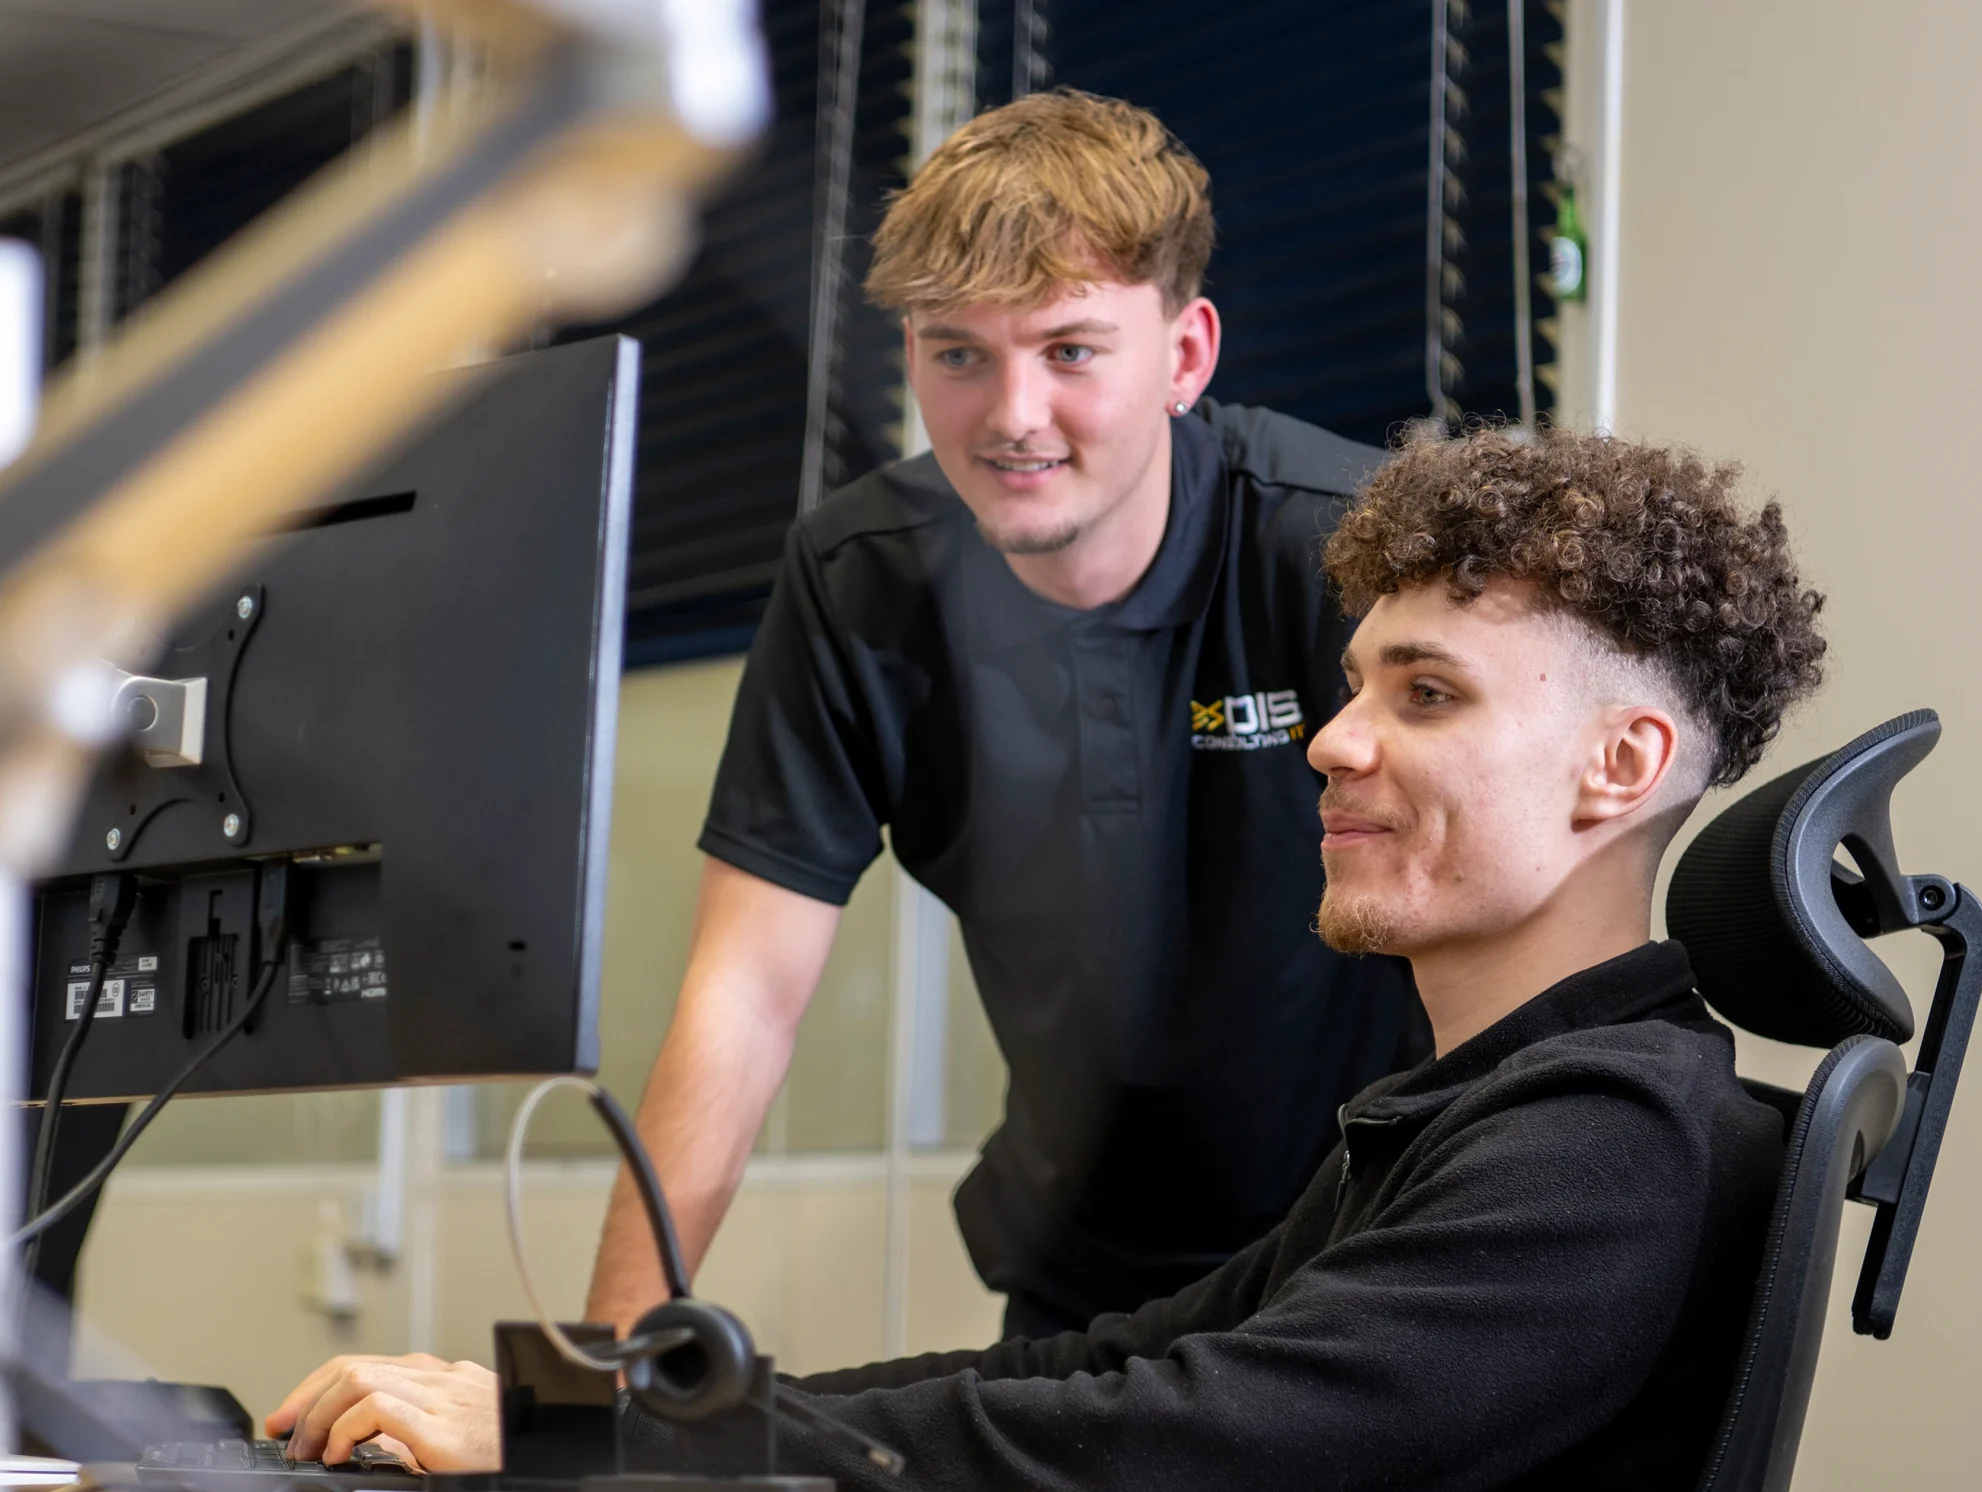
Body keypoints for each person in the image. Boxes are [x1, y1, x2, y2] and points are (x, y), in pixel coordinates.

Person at [265, 426, 1831, 1492]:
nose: (1334, 743)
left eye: (1424, 694)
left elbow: (1173, 1449)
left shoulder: (1602, 1150)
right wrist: (611, 1406)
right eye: (1354, 686)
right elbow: (1096, 1371)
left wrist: (604, 1438)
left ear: (1619, 768)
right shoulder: (1477, 1114)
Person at [586, 90, 1427, 1343]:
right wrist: (600, 1370)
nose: (1011, 415)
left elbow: (1512, 921)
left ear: (1184, 357)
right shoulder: (858, 578)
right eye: (957, 351)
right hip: (1083, 1272)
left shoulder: (1342, 543)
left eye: (1070, 350)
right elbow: (744, 994)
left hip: (1370, 1241)